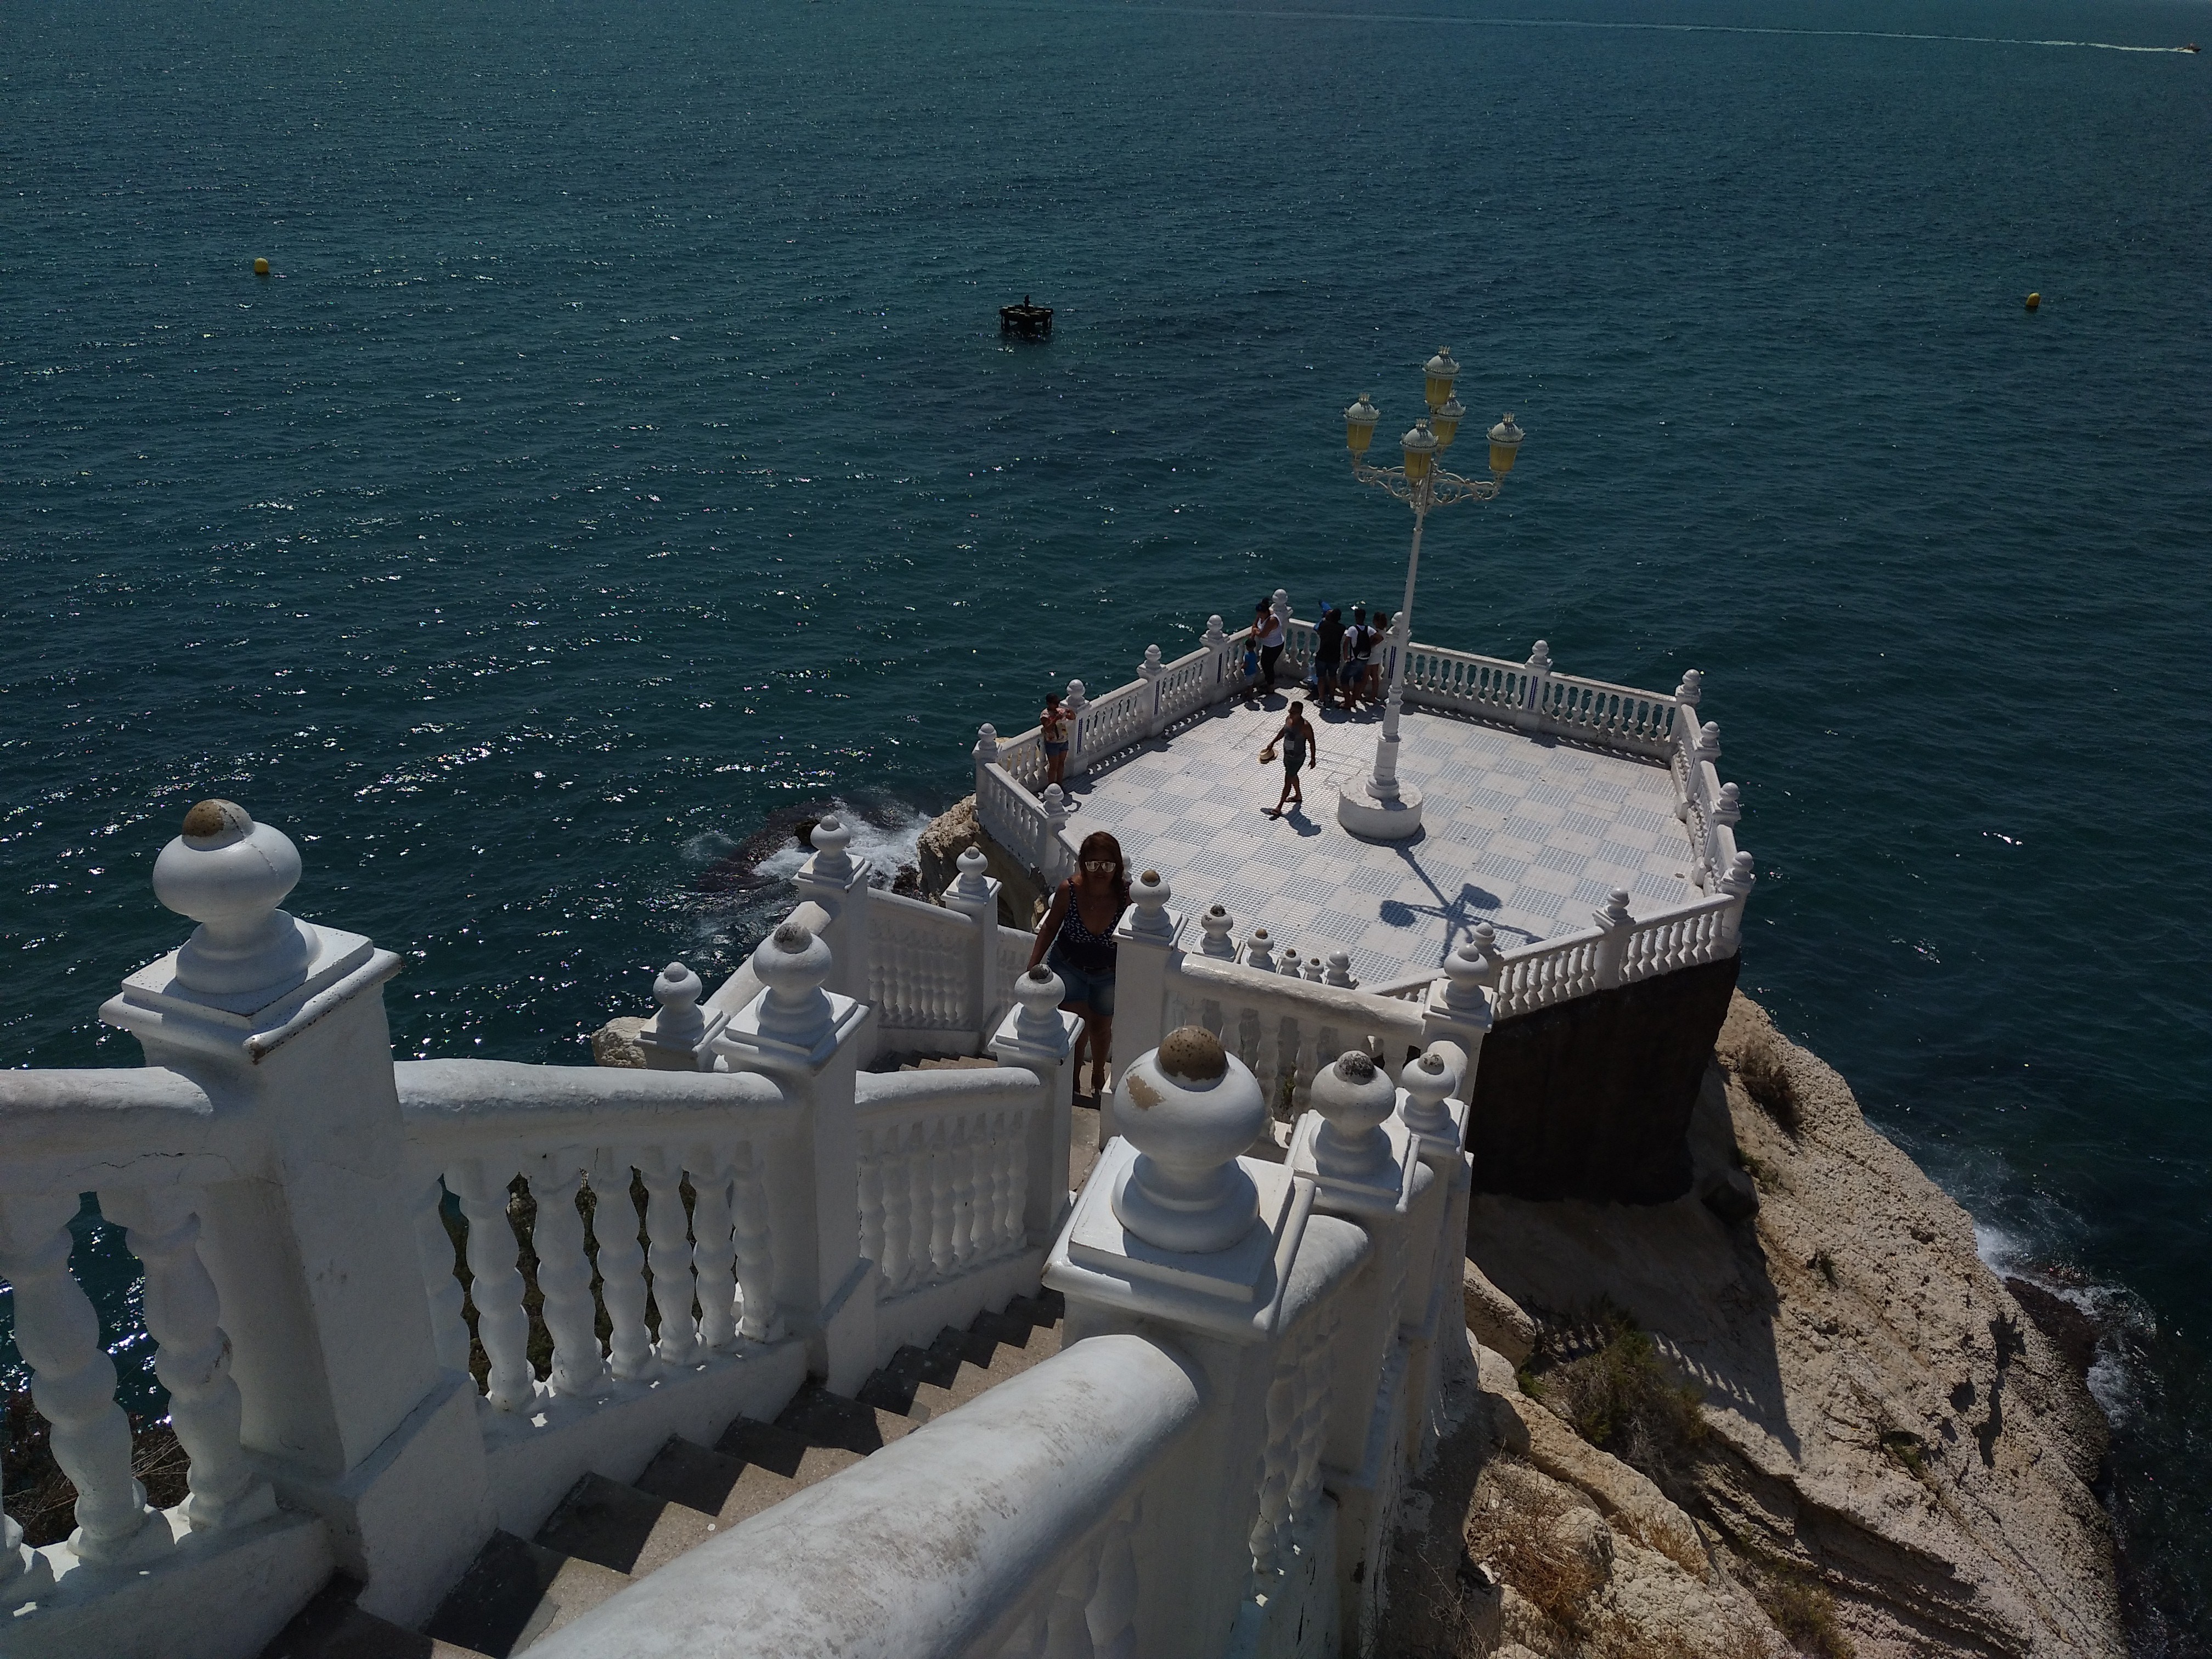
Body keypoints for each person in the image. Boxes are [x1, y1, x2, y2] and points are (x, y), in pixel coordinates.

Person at [1029, 830, 1129, 1100]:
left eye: (1107, 865)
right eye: (1093, 864)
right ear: (1083, 864)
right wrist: (1032, 965)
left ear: (1117, 866)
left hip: (1107, 974)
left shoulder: (1125, 897)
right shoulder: (1069, 890)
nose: (1100, 871)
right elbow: (1050, 927)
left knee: (1101, 1029)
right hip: (1069, 966)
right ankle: (1072, 1076)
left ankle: (1098, 1072)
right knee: (1075, 1026)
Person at [1260, 699, 1317, 817]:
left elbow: (1312, 742)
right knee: (1292, 776)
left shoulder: (1305, 727)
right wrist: (1273, 742)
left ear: (1300, 713)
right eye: (1290, 711)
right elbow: (1283, 731)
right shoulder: (1288, 719)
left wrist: (1313, 758)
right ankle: (1298, 795)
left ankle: (1279, 806)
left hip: (1297, 758)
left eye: (1294, 713)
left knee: (1288, 780)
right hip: (1287, 755)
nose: (1291, 714)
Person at [1040, 692, 1073, 787]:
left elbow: (1072, 717)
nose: (1057, 705)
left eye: (1058, 702)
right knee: (1053, 767)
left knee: (1061, 764)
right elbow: (1048, 729)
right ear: (1049, 703)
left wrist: (1070, 711)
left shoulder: (1060, 711)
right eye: (1055, 703)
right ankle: (1051, 787)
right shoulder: (1045, 715)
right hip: (1053, 743)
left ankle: (1060, 785)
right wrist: (1055, 719)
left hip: (1064, 741)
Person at [1254, 599, 1286, 695]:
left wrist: (1255, 631)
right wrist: (1254, 631)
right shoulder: (1261, 615)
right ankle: (1269, 683)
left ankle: (1271, 687)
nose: (1259, 616)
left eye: (1261, 614)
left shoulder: (1272, 620)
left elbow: (1263, 635)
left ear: (1266, 612)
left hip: (1275, 646)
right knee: (1265, 664)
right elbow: (1255, 624)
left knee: (1268, 666)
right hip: (1268, 645)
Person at [1345, 607, 1374, 709]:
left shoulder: (1352, 629)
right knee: (1358, 680)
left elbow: (1346, 643)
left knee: (1344, 679)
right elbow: (1380, 638)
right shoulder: (1369, 629)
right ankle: (1353, 701)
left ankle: (1347, 702)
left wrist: (1345, 656)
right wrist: (1370, 645)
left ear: (1356, 617)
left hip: (1354, 659)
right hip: (1364, 659)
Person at [1363, 611, 1392, 706]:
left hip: (1372, 655)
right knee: (1375, 676)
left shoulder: (1378, 633)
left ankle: (1359, 693)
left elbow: (1371, 644)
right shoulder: (1384, 632)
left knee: (1366, 675)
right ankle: (1373, 696)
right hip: (1378, 656)